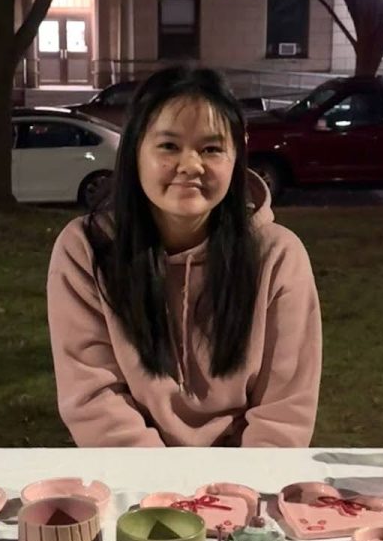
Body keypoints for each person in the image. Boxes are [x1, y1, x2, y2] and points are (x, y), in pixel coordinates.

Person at [46, 65, 322, 447]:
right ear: (135, 149)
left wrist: (234, 496)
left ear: (237, 151)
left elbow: (284, 414)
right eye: (169, 146)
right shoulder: (87, 249)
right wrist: (167, 494)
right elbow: (94, 399)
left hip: (244, 484)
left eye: (211, 148)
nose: (190, 166)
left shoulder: (277, 256)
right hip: (136, 482)